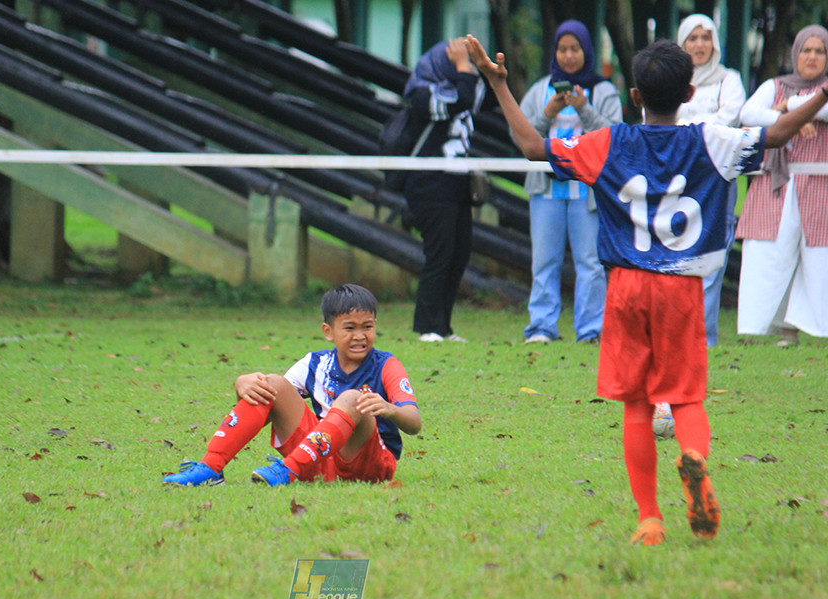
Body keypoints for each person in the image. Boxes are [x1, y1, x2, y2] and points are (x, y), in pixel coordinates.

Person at [466, 35, 828, 545]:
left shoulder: (607, 143)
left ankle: (650, 520)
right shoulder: (713, 140)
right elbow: (782, 131)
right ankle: (693, 455)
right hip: (681, 287)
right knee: (686, 398)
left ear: (635, 95)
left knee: (636, 404)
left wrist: (499, 84)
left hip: (626, 287)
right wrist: (823, 93)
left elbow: (530, 146)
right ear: (688, 94)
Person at [162, 284, 421, 487]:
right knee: (272, 383)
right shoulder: (315, 363)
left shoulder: (386, 365)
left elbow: (414, 423)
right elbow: (269, 405)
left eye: (367, 327)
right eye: (350, 328)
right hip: (319, 459)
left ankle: (288, 469)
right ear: (328, 332)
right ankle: (210, 468)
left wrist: (390, 409)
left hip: (369, 466)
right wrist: (241, 384)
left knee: (353, 399)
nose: (359, 336)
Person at [518, 20, 621, 344]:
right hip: (545, 190)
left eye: (575, 49)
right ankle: (541, 327)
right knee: (544, 261)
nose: (568, 56)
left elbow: (614, 134)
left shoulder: (603, 90)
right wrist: (547, 112)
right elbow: (521, 134)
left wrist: (584, 109)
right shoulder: (540, 90)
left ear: (586, 51)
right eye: (562, 49)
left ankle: (591, 330)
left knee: (590, 263)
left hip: (586, 191)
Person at [736, 25, 828, 346]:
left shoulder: (807, 92)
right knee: (766, 255)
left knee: (818, 259)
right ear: (795, 53)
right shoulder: (775, 85)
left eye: (820, 51)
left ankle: (808, 329)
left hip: (820, 186)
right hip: (775, 183)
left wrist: (787, 107)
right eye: (806, 50)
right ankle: (758, 328)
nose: (812, 57)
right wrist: (791, 119)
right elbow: (748, 113)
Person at [403, 39, 493, 343]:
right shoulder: (422, 92)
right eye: (455, 59)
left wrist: (480, 66)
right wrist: (464, 67)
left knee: (458, 255)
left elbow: (486, 97)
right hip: (429, 185)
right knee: (439, 255)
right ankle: (426, 326)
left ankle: (443, 327)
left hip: (458, 186)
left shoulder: (465, 86)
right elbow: (461, 101)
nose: (462, 66)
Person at [676, 14, 747, 346]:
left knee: (713, 256)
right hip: (678, 180)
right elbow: (660, 118)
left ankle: (704, 338)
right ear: (682, 43)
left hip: (717, 178)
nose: (700, 44)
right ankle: (677, 335)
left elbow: (730, 117)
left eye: (706, 37)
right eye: (693, 38)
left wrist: (688, 128)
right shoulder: (671, 79)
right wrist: (706, 126)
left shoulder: (728, 79)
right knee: (677, 255)